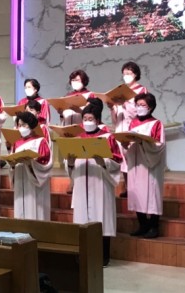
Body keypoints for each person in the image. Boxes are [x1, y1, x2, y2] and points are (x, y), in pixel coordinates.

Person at [66, 104, 122, 266]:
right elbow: (71, 166)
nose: (87, 121)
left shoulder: (107, 138)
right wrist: (70, 162)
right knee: (82, 221)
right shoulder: (77, 139)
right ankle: (83, 255)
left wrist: (103, 161)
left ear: (97, 120)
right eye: (85, 119)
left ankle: (103, 256)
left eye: (90, 119)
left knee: (101, 218)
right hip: (81, 184)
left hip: (100, 184)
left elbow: (117, 161)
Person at [121, 93, 166, 239]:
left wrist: (143, 142)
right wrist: (125, 145)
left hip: (150, 165)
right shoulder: (133, 123)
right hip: (135, 163)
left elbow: (159, 146)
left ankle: (153, 226)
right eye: (137, 105)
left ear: (150, 107)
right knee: (137, 193)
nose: (139, 107)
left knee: (152, 194)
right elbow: (129, 144)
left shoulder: (156, 124)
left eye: (143, 105)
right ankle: (143, 225)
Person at [108, 61, 148, 197]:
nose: (126, 75)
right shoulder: (121, 91)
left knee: (133, 157)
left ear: (135, 74)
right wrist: (112, 107)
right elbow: (117, 116)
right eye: (124, 73)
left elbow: (140, 111)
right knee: (123, 159)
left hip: (134, 127)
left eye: (129, 73)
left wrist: (125, 103)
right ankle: (127, 186)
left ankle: (137, 185)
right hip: (120, 127)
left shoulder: (141, 90)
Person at [10, 111, 53, 220]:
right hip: (20, 179)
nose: (21, 128)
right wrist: (12, 165)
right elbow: (12, 159)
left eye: (24, 125)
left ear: (31, 125)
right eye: (19, 125)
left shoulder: (40, 141)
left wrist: (31, 164)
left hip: (34, 183)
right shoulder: (16, 143)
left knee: (34, 210)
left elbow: (46, 163)